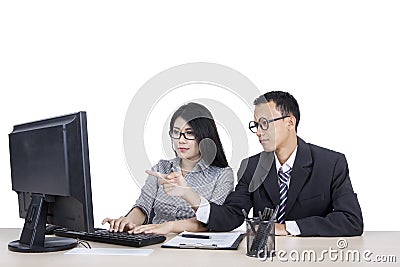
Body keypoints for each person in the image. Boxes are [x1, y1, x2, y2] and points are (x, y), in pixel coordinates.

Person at [159, 91, 363, 237]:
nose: (258, 131)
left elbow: (351, 221)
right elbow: (231, 216)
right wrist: (188, 193)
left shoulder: (331, 163)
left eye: (264, 123)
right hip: (264, 258)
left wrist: (287, 227)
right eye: (255, 125)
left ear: (290, 122)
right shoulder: (251, 166)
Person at [102, 102, 234, 234]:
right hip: (156, 243)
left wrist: (169, 226)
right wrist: (128, 222)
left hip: (196, 248)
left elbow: (215, 219)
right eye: (176, 132)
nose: (180, 140)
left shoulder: (222, 174)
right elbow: (143, 207)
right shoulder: (161, 168)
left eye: (189, 133)